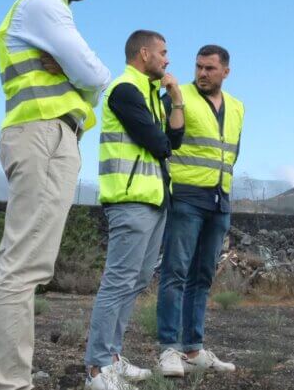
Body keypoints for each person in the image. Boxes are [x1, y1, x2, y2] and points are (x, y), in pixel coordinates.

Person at [0, 0, 111, 390]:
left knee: (10, 264)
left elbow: (86, 76)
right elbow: (96, 74)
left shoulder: (40, 10)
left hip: (33, 133)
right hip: (46, 135)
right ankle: (12, 383)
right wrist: (78, 72)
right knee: (26, 267)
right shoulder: (44, 5)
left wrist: (73, 70)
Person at [83, 30, 185, 390]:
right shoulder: (125, 90)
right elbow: (159, 143)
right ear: (144, 53)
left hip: (153, 201)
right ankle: (97, 369)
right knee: (118, 281)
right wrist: (166, 129)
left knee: (138, 280)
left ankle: (112, 357)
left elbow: (174, 139)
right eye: (163, 52)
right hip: (130, 201)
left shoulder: (151, 95)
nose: (167, 60)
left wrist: (176, 99)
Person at [157, 45, 243, 377]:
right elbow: (165, 139)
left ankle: (193, 349)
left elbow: (232, 153)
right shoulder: (178, 97)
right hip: (186, 198)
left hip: (220, 201)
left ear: (226, 72)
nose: (202, 73)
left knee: (203, 277)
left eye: (209, 68)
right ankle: (169, 349)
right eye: (198, 67)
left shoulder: (237, 107)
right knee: (175, 273)